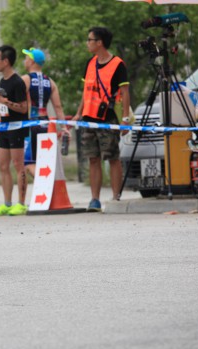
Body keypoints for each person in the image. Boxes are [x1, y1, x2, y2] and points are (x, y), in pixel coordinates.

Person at [73, 27, 130, 212]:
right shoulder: (90, 63)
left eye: (90, 40)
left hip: (107, 119)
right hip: (88, 118)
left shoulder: (117, 64)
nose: (87, 43)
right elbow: (86, 92)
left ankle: (116, 198)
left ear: (99, 43)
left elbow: (125, 92)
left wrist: (125, 119)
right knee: (93, 158)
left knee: (112, 157)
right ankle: (94, 200)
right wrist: (78, 113)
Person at [0, 45, 29, 217]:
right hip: (4, 127)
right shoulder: (3, 81)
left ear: (5, 61)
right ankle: (7, 203)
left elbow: (23, 108)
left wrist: (3, 101)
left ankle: (21, 203)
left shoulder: (17, 82)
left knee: (18, 165)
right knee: (3, 165)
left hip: (17, 127)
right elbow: (1, 101)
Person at [21, 48, 70, 176]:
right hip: (46, 124)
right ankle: (45, 185)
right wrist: (64, 128)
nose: (24, 61)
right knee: (43, 162)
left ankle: (44, 184)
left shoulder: (25, 79)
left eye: (26, 58)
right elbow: (58, 107)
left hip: (30, 125)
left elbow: (18, 103)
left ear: (32, 61)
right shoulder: (50, 81)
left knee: (28, 164)